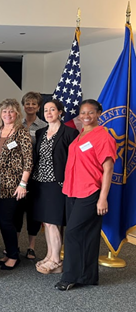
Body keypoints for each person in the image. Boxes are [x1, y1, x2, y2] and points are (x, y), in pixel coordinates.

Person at [55, 99, 115, 291]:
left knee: (72, 233)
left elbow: (108, 170)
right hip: (73, 190)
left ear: (99, 114)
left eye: (91, 113)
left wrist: (103, 198)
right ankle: (88, 276)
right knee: (89, 234)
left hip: (90, 192)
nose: (86, 116)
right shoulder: (82, 134)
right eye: (83, 113)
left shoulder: (103, 137)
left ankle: (70, 276)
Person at [31, 100, 78, 274]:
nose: (48, 113)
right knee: (47, 222)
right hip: (40, 182)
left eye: (52, 110)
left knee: (54, 222)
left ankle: (57, 261)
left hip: (58, 184)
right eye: (46, 110)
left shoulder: (70, 132)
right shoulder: (41, 132)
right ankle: (50, 255)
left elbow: (74, 160)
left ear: (60, 112)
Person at [0, 98, 32, 270]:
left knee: (7, 220)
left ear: (17, 114)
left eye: (11, 111)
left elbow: (28, 160)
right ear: (0, 113)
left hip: (14, 183)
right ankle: (9, 252)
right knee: (2, 219)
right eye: (5, 111)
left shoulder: (22, 132)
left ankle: (14, 256)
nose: (8, 114)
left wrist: (23, 184)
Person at [16, 91, 48, 260]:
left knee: (33, 211)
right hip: (16, 174)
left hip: (35, 175)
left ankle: (31, 247)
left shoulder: (44, 126)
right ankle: (15, 245)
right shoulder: (16, 123)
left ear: (39, 106)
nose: (30, 106)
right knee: (17, 210)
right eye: (27, 103)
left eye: (33, 104)